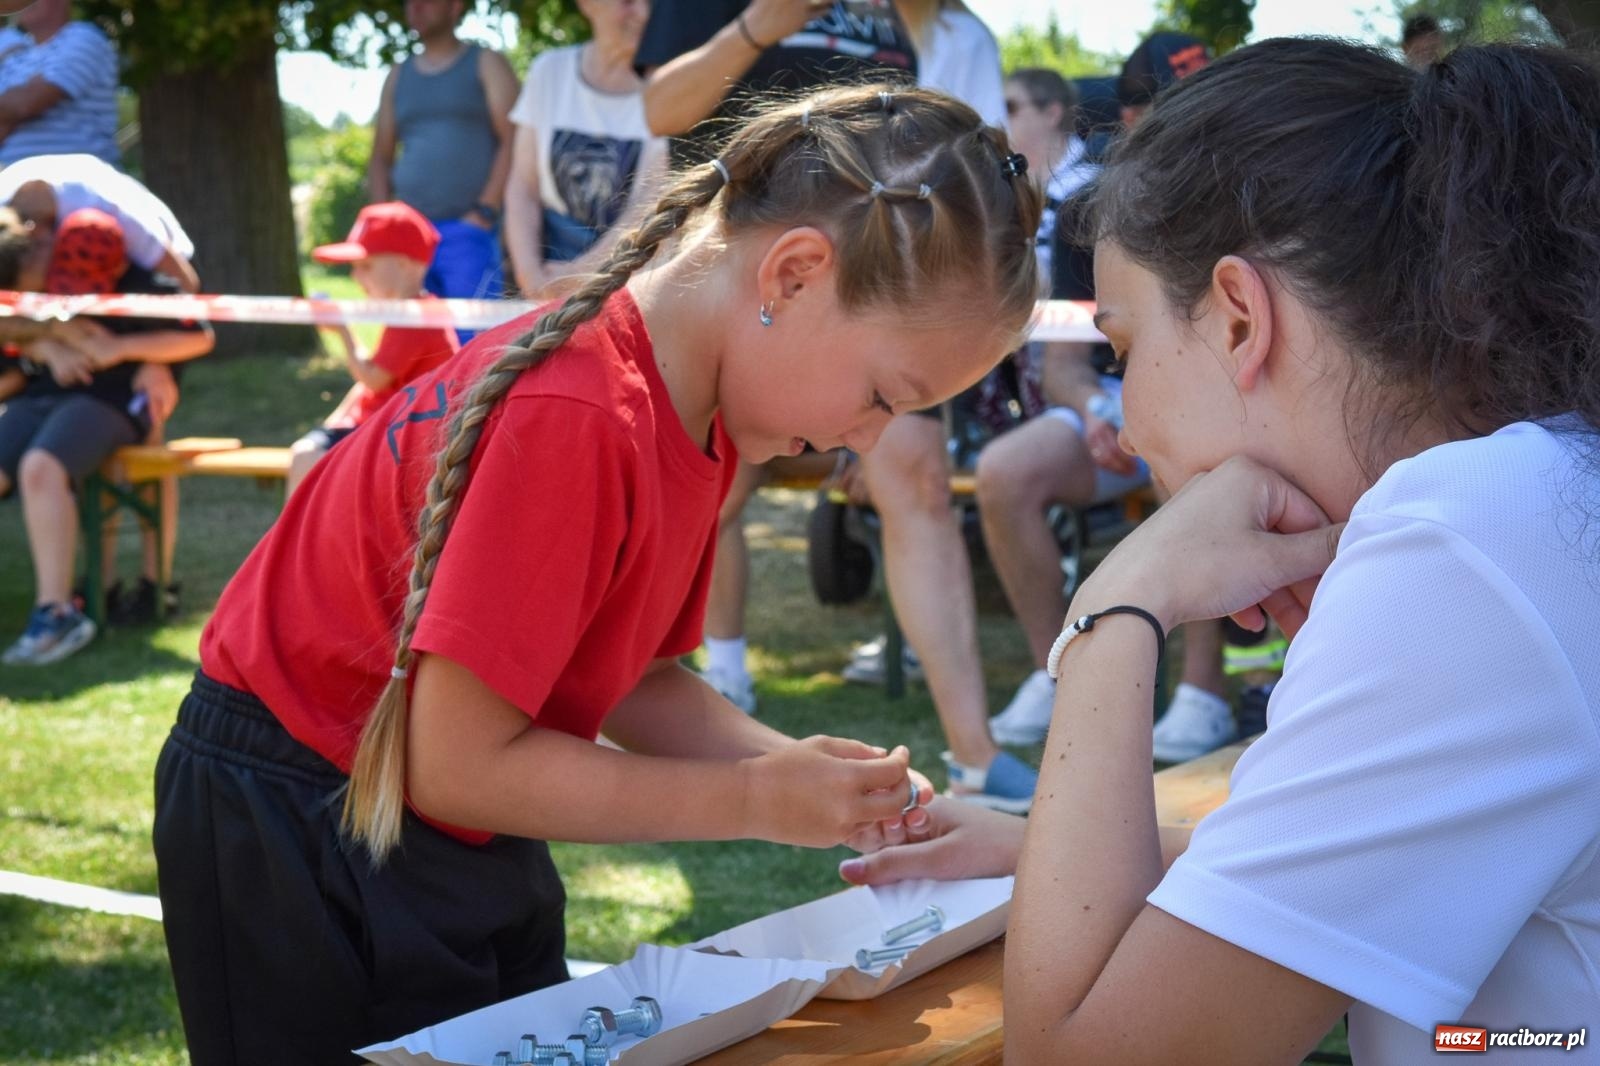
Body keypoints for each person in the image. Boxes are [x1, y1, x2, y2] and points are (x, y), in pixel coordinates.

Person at [152, 83, 1043, 1063]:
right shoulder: (580, 413)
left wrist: (820, 782)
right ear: (791, 276)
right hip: (299, 818)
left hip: (439, 818)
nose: (865, 437)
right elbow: (459, 761)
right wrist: (750, 799)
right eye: (882, 395)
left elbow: (636, 678)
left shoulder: (703, 418)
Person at [844, 38, 1600, 1064]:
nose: (1132, 422)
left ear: (1241, 317)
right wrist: (1051, 848)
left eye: (1124, 351)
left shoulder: (1458, 544)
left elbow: (1078, 1059)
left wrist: (1115, 609)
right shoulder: (1533, 493)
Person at [636, 0, 921, 712]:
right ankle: (713, 671)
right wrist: (762, 23)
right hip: (738, 293)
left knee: (915, 477)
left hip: (866, 303)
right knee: (712, 492)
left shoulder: (886, 11)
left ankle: (969, 739)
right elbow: (660, 107)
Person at [0, 207, 213, 664]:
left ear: (116, 265)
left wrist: (125, 350)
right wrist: (45, 344)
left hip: (108, 403)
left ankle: (57, 615)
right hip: (42, 393)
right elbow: (13, 324)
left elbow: (200, 336)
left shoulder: (146, 286)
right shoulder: (43, 272)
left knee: (42, 467)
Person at [368, 0, 520, 341]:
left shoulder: (485, 63)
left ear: (455, 7)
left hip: (468, 233)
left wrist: (484, 210)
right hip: (408, 240)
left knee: (475, 349)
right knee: (411, 349)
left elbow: (515, 140)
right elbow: (380, 156)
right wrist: (383, 225)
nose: (415, 7)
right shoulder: (398, 75)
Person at [287, 202, 460, 497]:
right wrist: (337, 418)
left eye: (366, 266)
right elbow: (373, 383)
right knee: (306, 454)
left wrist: (343, 329)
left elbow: (373, 378)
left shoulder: (413, 318)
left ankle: (296, 541)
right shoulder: (407, 313)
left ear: (405, 266)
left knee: (306, 457)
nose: (356, 276)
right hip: (382, 429)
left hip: (394, 437)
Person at [503, 0, 668, 298]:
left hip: (632, 285)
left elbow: (648, 205)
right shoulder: (549, 73)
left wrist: (578, 276)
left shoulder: (675, 87)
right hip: (548, 279)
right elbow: (522, 185)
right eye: (628, 2)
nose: (643, 14)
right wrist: (530, 276)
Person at [0, 153, 202, 293]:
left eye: (44, 284)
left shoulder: (107, 205)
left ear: (37, 237)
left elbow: (187, 286)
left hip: (156, 264)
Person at [0, 0, 117, 165]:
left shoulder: (84, 37)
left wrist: (15, 105)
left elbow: (27, 103)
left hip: (76, 177)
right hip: (14, 179)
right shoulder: (17, 55)